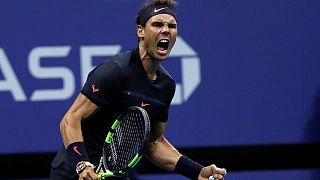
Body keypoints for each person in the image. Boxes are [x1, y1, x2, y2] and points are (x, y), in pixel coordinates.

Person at [50, 0, 227, 179]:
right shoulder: (115, 70)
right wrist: (83, 165)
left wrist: (197, 171)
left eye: (172, 26)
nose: (166, 30)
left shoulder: (166, 86)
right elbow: (71, 119)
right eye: (157, 24)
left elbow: (154, 142)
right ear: (140, 31)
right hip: (73, 173)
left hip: (114, 173)